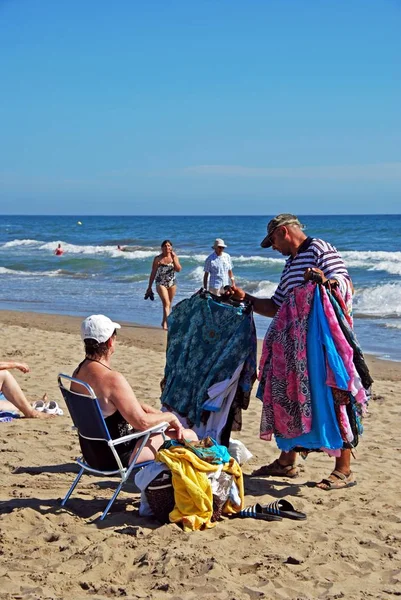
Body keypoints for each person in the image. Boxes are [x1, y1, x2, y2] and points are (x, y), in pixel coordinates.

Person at [226, 213, 356, 490]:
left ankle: (344, 469)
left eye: (273, 240)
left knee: (333, 396)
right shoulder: (291, 265)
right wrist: (245, 298)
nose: (273, 247)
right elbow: (275, 307)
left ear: (284, 232)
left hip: (322, 344)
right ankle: (287, 462)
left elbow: (344, 283)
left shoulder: (320, 249)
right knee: (288, 398)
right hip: (293, 347)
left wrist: (324, 280)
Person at [71, 314, 197, 469]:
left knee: (168, 428)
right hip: (116, 456)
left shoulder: (78, 373)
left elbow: (128, 406)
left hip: (92, 453)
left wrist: (162, 418)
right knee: (189, 436)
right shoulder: (112, 379)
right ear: (111, 341)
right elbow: (142, 422)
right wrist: (170, 417)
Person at [146, 240, 182, 330]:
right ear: (162, 248)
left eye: (169, 246)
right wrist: (149, 287)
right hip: (160, 282)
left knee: (168, 304)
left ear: (171, 247)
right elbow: (153, 273)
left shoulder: (174, 257)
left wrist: (174, 259)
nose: (167, 247)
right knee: (166, 303)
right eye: (165, 246)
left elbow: (178, 269)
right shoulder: (158, 258)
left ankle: (164, 322)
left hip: (172, 283)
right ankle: (167, 324)